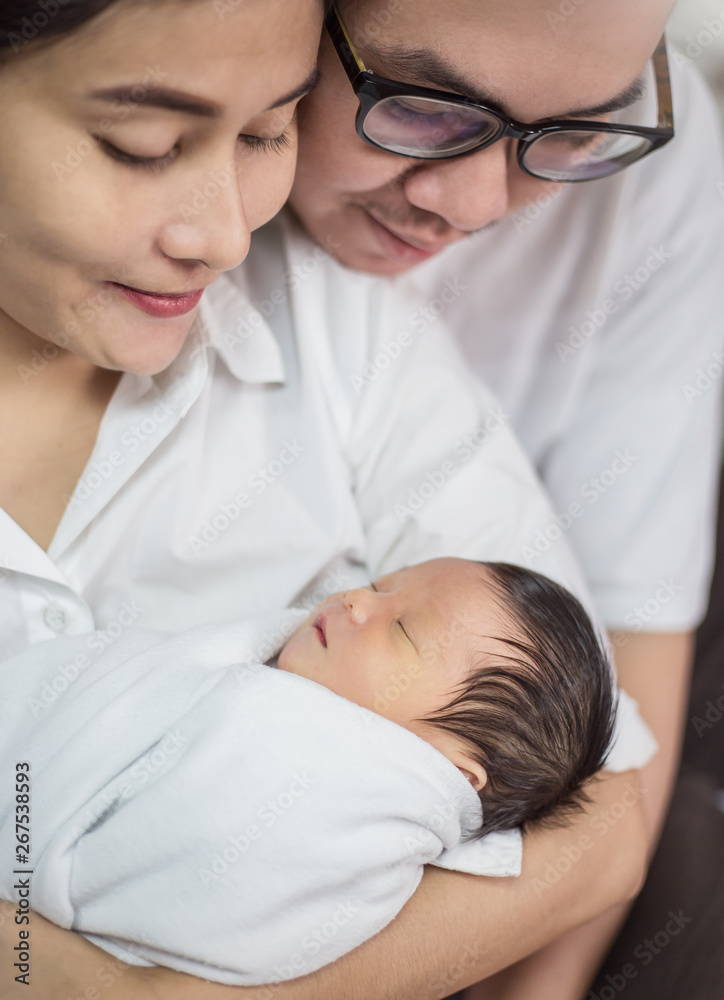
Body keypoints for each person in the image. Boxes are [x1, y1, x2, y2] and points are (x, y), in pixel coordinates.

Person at [0, 2, 650, 998]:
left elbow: (603, 812)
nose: (225, 236)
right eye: (146, 145)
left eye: (271, 131)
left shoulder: (334, 325)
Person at [1, 558, 639, 985]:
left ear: (448, 771)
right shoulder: (261, 674)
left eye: (405, 631)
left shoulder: (345, 812)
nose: (358, 599)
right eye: (383, 585)